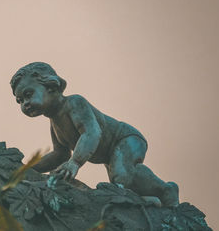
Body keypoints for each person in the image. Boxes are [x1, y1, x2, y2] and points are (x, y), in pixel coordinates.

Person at [10, 62, 179, 207]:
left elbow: (92, 132)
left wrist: (75, 163)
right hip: (108, 153)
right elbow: (59, 154)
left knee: (121, 177)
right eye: (20, 101)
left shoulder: (74, 103)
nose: (25, 104)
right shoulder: (55, 122)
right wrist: (28, 169)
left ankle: (166, 190)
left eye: (28, 94)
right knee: (121, 187)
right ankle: (148, 202)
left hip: (125, 138)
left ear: (50, 86)